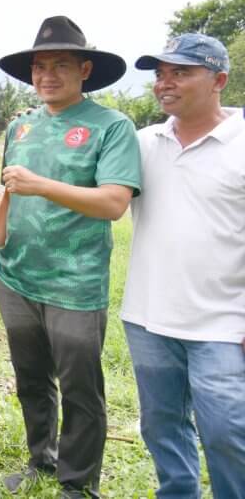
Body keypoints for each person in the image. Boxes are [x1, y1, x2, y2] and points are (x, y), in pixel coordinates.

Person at [0, 16, 140, 497]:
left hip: (75, 283)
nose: (47, 75)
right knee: (31, 378)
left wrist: (43, 185)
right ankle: (42, 458)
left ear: (85, 69)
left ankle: (78, 483)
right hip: (16, 276)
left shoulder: (111, 127)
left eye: (60, 65)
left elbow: (114, 202)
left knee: (80, 389)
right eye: (39, 66)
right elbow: (11, 193)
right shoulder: (23, 126)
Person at [121, 33, 245, 499]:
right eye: (160, 74)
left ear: (219, 80)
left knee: (228, 433)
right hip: (148, 317)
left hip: (223, 322)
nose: (164, 83)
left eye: (181, 72)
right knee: (161, 426)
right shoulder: (142, 142)